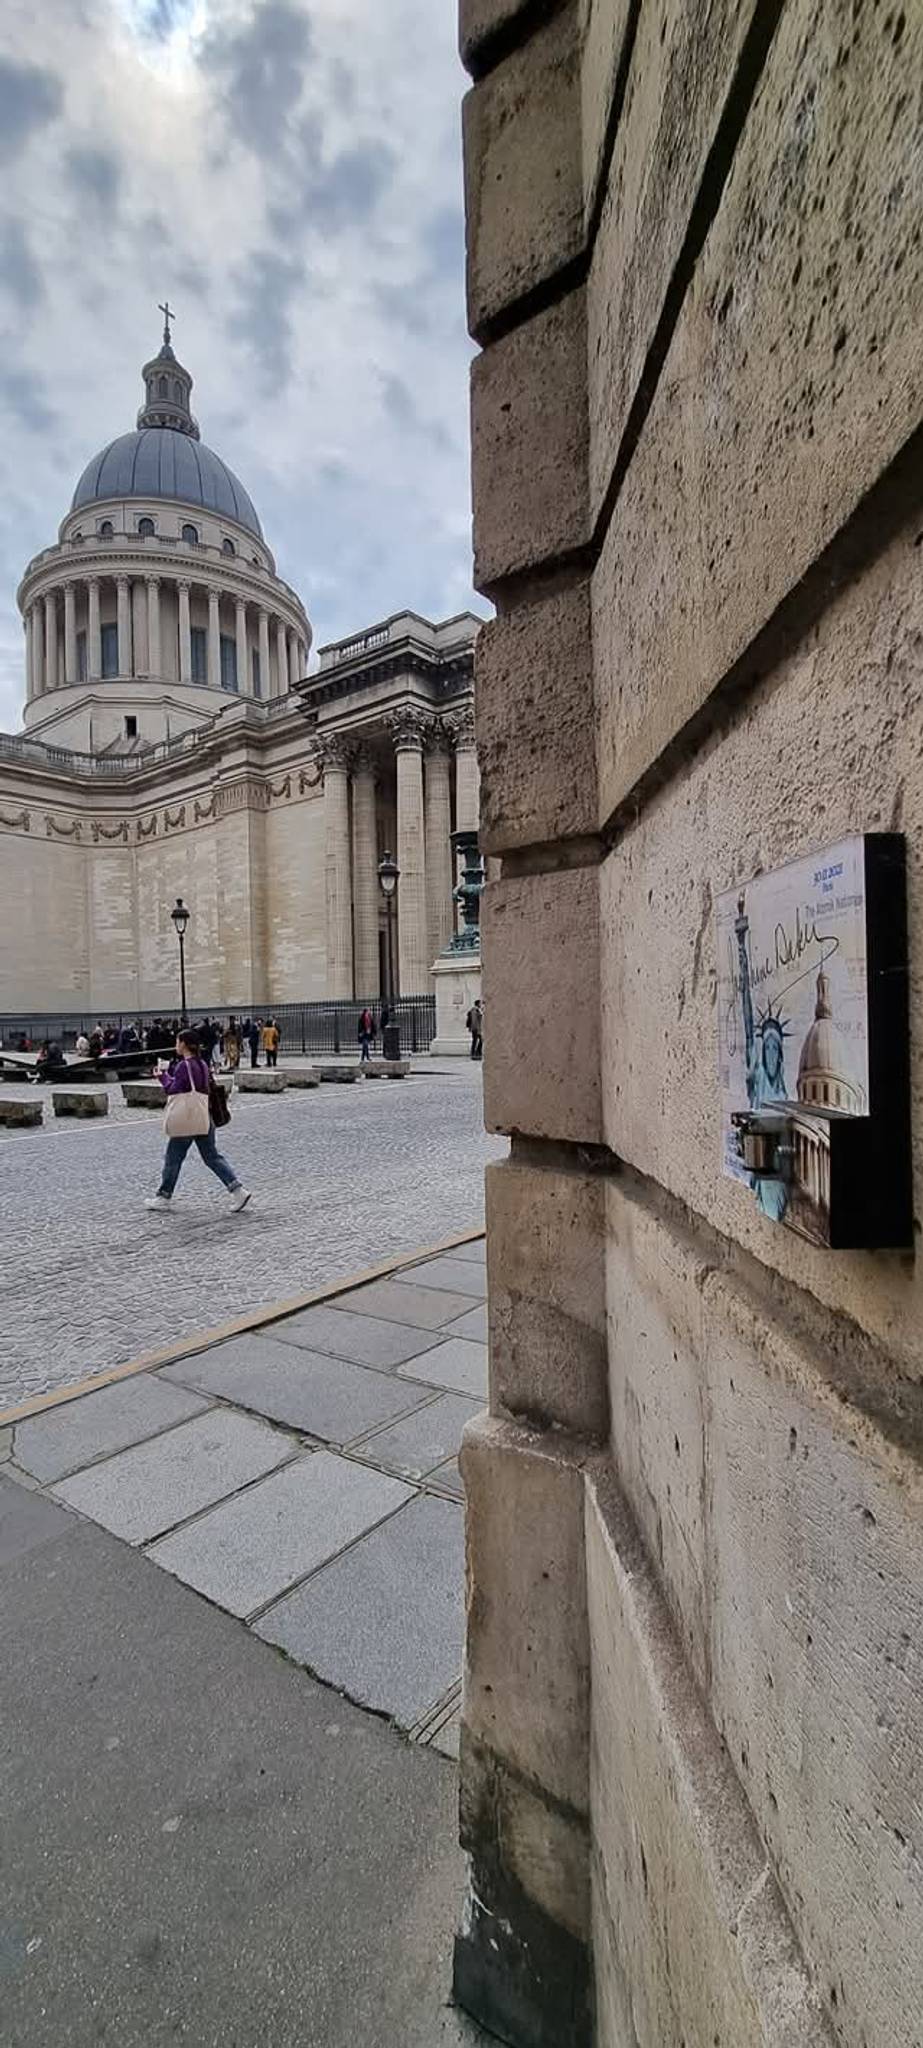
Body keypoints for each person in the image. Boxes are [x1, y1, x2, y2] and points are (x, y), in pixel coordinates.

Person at [145, 1027, 250, 1213]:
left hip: (188, 1118)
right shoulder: (202, 1064)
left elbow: (173, 1089)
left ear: (184, 1044)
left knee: (173, 1158)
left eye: (178, 1041)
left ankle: (163, 1196)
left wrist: (162, 1076)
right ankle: (238, 1190)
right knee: (212, 1157)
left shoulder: (184, 1066)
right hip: (204, 1116)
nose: (176, 1045)